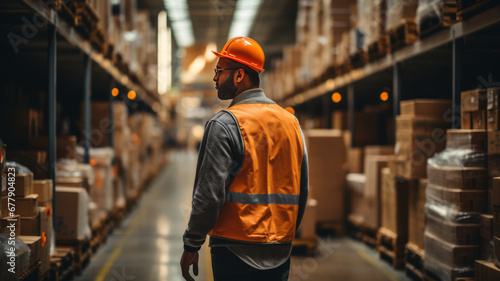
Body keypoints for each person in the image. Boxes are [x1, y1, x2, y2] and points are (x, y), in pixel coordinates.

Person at [180, 36, 309, 281]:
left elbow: (208, 195)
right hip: (280, 251)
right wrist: (284, 235)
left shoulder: (225, 124)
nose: (215, 78)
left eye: (219, 71)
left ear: (239, 75)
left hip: (234, 250)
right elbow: (302, 190)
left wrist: (192, 244)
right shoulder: (291, 123)